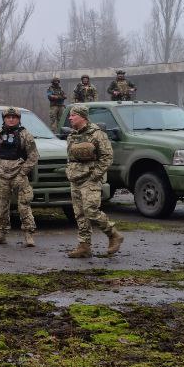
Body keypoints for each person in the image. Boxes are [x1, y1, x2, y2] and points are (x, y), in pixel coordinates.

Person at [65, 105, 123, 259]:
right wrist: (69, 171)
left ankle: (113, 235)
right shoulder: (71, 136)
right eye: (70, 116)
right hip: (75, 179)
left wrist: (95, 175)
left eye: (73, 115)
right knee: (79, 214)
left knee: (91, 210)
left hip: (90, 179)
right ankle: (84, 246)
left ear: (83, 117)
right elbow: (70, 157)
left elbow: (107, 157)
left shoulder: (97, 135)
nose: (70, 118)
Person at [0, 107, 39, 248]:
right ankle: (1, 234)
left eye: (14, 117)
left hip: (19, 175)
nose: (11, 119)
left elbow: (33, 156)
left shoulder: (25, 135)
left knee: (24, 205)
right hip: (1, 175)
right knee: (2, 206)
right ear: (4, 118)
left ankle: (28, 234)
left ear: (18, 119)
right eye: (8, 117)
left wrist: (22, 173)